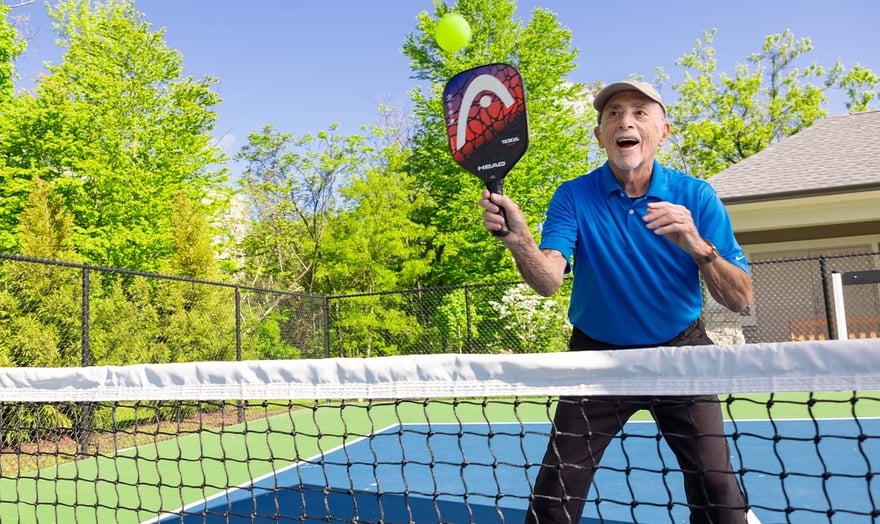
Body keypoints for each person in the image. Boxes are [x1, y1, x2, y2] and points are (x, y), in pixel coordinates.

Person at [478, 79, 754, 524]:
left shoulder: (696, 196)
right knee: (555, 493)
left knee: (718, 489)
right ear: (601, 134)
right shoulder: (573, 195)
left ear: (663, 131)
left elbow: (739, 297)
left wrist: (697, 245)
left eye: (640, 112)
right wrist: (519, 239)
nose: (626, 120)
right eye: (614, 114)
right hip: (596, 358)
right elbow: (548, 280)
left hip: (679, 352)